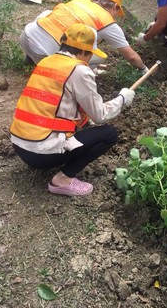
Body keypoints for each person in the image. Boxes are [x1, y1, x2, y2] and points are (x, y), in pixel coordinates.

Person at [10, 23, 135, 197]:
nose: (89, 59)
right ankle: (63, 179)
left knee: (80, 124)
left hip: (19, 145)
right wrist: (122, 99)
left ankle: (50, 158)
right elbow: (100, 116)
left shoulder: (47, 61)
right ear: (83, 52)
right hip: (40, 155)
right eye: (90, 54)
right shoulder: (79, 70)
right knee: (109, 134)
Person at [20, 0, 149, 74]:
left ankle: (30, 59)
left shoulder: (80, 1)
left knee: (48, 14)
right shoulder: (107, 22)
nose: (115, 16)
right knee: (98, 55)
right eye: (117, 12)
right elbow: (131, 56)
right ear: (115, 6)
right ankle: (77, 74)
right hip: (46, 54)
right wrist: (144, 69)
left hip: (25, 38)